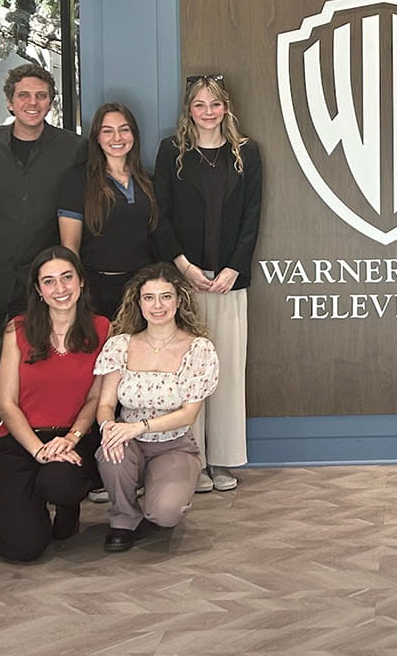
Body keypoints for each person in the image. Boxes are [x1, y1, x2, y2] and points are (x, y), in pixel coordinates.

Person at [0, 63, 86, 479]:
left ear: (51, 101)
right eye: (24, 96)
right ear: (10, 101)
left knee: (43, 368)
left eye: (41, 96)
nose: (32, 103)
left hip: (39, 283)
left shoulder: (72, 147)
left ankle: (43, 452)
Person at [153, 75, 262, 493]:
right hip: (185, 282)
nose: (208, 112)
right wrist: (183, 266)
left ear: (226, 108)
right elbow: (159, 214)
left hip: (230, 283)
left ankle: (223, 460)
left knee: (227, 372)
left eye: (215, 104)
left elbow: (252, 217)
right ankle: (191, 461)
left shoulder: (247, 155)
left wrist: (234, 268)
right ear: (189, 110)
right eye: (200, 105)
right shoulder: (171, 152)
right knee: (188, 374)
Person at [0, 246, 109, 561]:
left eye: (67, 278)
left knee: (60, 481)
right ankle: (31, 509)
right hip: (20, 440)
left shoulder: (102, 328)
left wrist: (70, 439)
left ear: (81, 282)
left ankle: (67, 507)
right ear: (39, 290)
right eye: (49, 281)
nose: (60, 289)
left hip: (72, 438)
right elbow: (7, 404)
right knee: (21, 547)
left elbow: (95, 398)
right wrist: (38, 450)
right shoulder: (17, 329)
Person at [94, 263, 220, 552]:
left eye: (165, 296)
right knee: (110, 453)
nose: (157, 305)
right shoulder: (120, 345)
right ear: (139, 303)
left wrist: (140, 426)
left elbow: (189, 414)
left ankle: (155, 505)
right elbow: (106, 403)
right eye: (149, 297)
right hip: (129, 441)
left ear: (179, 301)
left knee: (165, 514)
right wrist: (109, 427)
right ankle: (124, 518)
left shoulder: (198, 349)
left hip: (174, 445)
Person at [59, 102, 161, 318]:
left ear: (134, 134)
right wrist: (75, 290)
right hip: (96, 291)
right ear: (97, 137)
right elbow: (70, 246)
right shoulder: (78, 180)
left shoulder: (148, 181)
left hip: (142, 290)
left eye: (124, 129)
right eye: (108, 131)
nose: (117, 138)